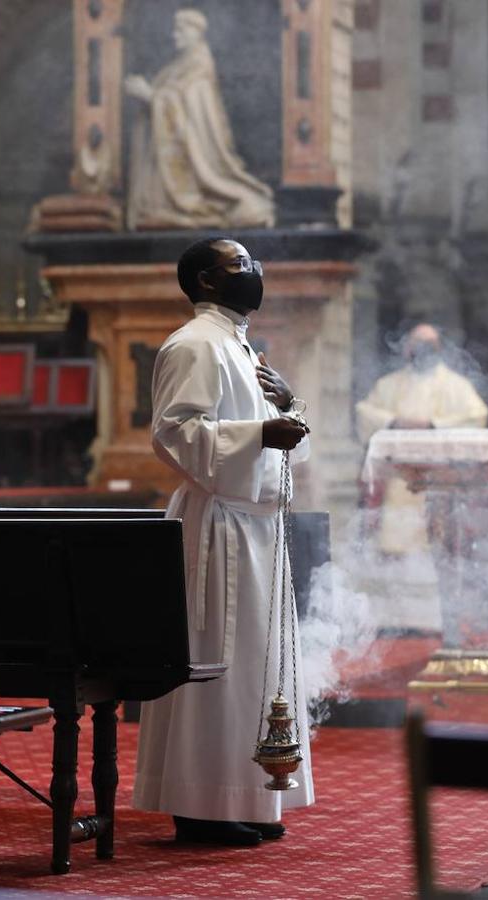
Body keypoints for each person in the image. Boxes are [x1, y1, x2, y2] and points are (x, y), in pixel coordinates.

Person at [132, 237, 313, 846]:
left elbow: (274, 438)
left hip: (255, 523)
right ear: (206, 281)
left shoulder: (236, 343)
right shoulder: (194, 344)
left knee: (256, 670)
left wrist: (286, 409)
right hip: (219, 526)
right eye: (240, 265)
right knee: (218, 663)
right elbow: (174, 433)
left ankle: (246, 797)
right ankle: (199, 806)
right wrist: (262, 428)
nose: (254, 271)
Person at [124, 8, 275, 229]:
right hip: (159, 172)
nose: (174, 35)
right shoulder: (177, 67)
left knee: (233, 200)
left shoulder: (200, 68)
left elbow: (189, 111)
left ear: (197, 32)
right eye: (175, 29)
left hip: (197, 162)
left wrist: (150, 96)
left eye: (181, 29)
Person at [355, 323, 488, 555]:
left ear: (438, 349)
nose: (422, 349)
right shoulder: (389, 384)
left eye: (429, 344)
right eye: (417, 343)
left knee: (434, 543)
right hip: (395, 479)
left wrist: (433, 425)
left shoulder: (456, 386)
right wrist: (394, 421)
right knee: (393, 541)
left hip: (438, 478)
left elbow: (477, 416)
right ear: (407, 348)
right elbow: (365, 412)